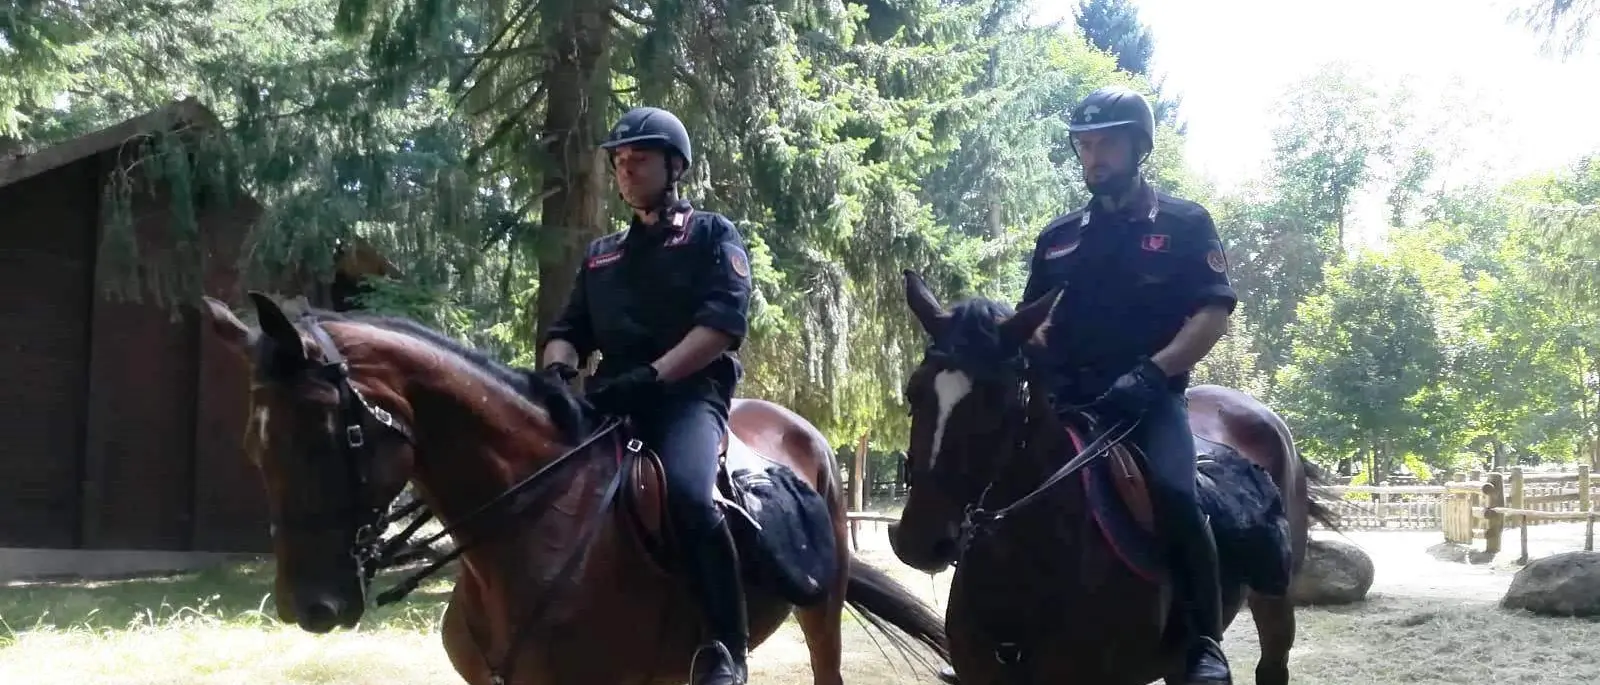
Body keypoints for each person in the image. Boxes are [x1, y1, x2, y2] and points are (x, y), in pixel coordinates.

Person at [1021, 85, 1239, 685]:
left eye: (1107, 144)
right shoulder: (1058, 236)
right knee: (1000, 489)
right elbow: (1034, 320)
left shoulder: (1185, 224)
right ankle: (1000, 632)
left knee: (1174, 491)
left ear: (1139, 146)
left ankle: (1200, 640)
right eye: (1085, 146)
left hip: (1147, 400)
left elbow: (1211, 315)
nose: (1094, 158)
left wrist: (1152, 373)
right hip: (1067, 400)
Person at [538, 105, 755, 685]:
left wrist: (654, 376)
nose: (627, 170)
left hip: (687, 396)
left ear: (674, 165)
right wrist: (558, 373)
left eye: (639, 160)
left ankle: (725, 650)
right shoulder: (601, 254)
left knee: (688, 495)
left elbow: (722, 325)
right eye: (620, 162)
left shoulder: (712, 234)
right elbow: (565, 331)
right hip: (610, 401)